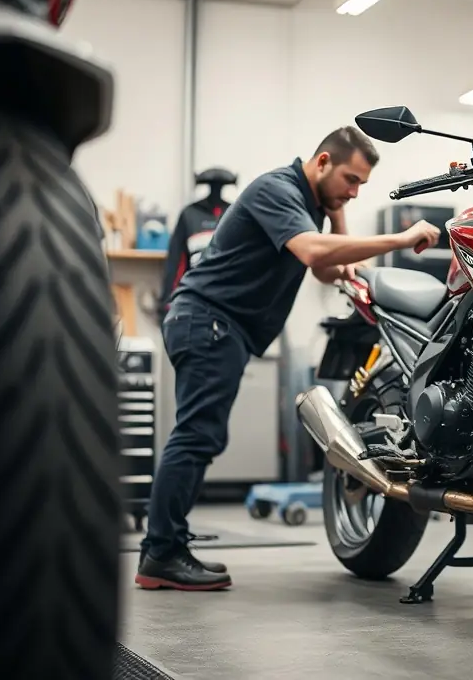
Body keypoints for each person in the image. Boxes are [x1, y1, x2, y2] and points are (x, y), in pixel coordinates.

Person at [135, 126, 441, 591]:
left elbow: (326, 271)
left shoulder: (311, 204)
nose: (355, 192)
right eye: (350, 180)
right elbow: (311, 251)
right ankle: (160, 554)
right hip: (208, 323)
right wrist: (399, 240)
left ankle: (168, 544)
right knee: (196, 437)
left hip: (217, 328)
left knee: (201, 437)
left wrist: (337, 211)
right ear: (321, 162)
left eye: (361, 185)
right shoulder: (277, 189)